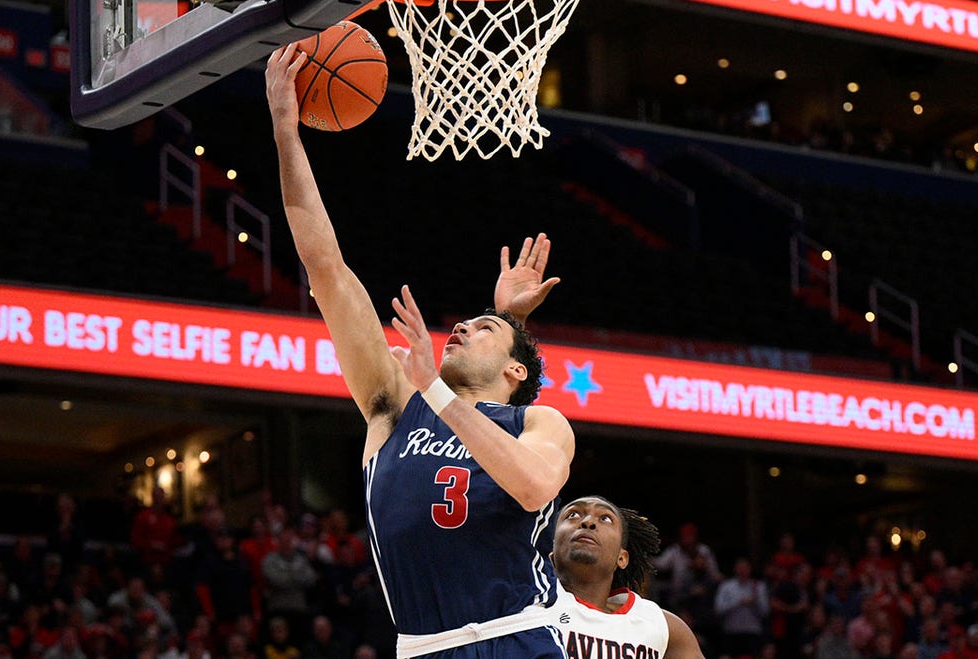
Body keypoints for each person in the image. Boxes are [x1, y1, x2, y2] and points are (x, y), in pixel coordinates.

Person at [265, 44, 573, 659]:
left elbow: (536, 487)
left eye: (481, 330)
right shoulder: (392, 408)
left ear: (516, 368)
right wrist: (284, 130)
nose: (458, 329)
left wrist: (443, 381)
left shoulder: (536, 421)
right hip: (420, 647)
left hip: (516, 640)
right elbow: (325, 269)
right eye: (462, 324)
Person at [550, 495, 704, 659]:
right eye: (573, 514)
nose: (588, 522)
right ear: (551, 553)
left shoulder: (664, 627)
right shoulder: (528, 604)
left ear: (622, 558)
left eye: (605, 518)